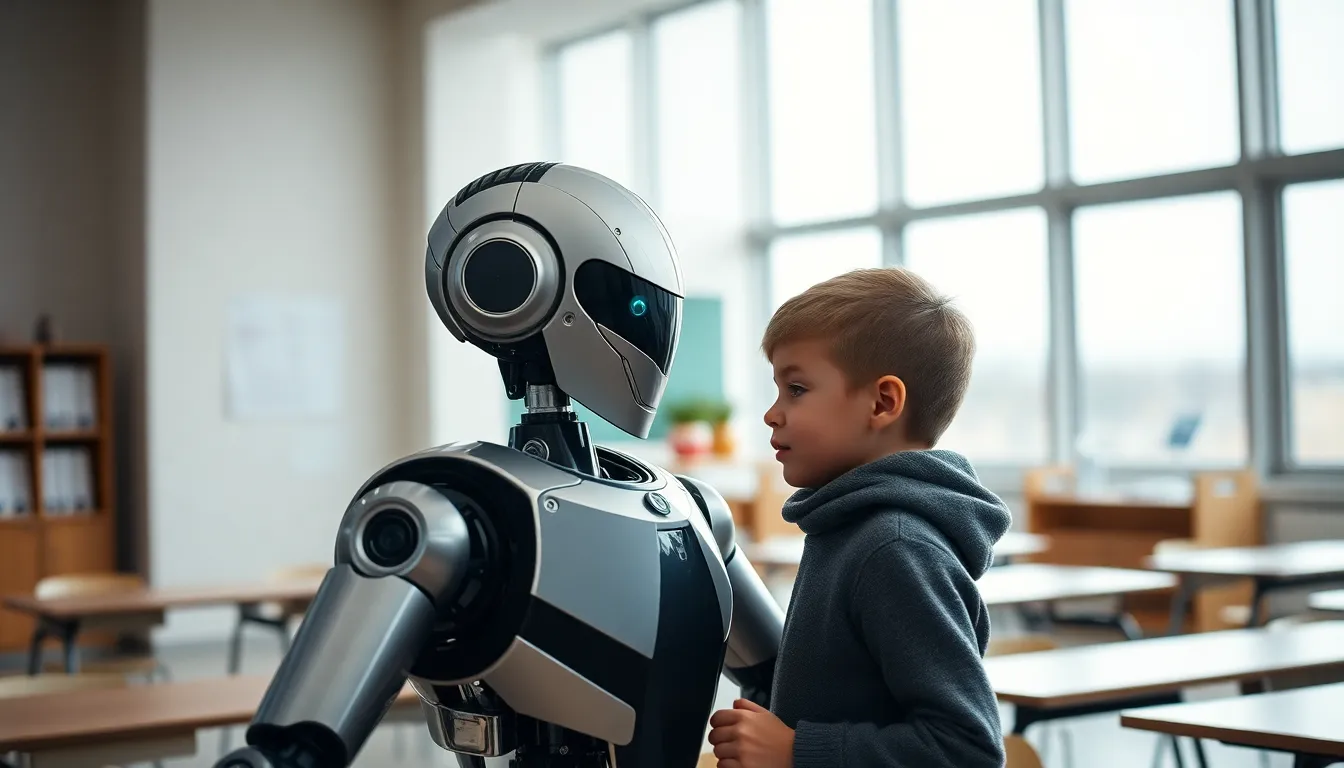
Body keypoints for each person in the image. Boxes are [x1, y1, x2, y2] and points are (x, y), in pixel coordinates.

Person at [707, 267, 1011, 768]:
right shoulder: (844, 524)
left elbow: (967, 750)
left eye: (797, 389)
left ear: (883, 402)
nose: (772, 413)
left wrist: (795, 751)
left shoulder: (894, 548)